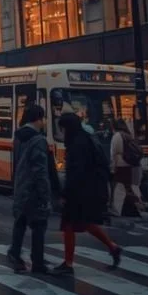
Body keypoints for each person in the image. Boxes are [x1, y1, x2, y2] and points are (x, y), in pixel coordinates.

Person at [53, 113, 121, 275]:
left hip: (80, 190)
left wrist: (65, 192)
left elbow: (76, 171)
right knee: (85, 223)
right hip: (91, 189)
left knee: (69, 225)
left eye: (62, 128)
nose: (62, 132)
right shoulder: (87, 138)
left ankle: (68, 263)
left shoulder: (76, 144)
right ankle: (112, 247)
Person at [6, 104, 60, 274]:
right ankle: (37, 262)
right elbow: (40, 169)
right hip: (34, 189)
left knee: (21, 221)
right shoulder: (38, 140)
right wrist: (46, 193)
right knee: (38, 225)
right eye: (43, 119)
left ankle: (15, 252)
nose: (44, 122)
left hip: (21, 186)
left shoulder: (18, 137)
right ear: (38, 119)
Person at [109, 119, 144, 217]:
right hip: (135, 166)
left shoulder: (117, 136)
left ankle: (133, 207)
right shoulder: (128, 135)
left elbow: (113, 154)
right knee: (132, 187)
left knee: (121, 189)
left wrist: (112, 168)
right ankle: (134, 207)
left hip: (122, 166)